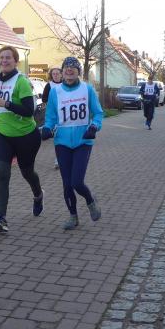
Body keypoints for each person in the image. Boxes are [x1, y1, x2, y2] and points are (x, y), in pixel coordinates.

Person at [0, 45, 44, 233]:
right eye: (1, 57)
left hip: (26, 136)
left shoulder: (21, 82)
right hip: (2, 133)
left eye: (8, 57)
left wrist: (6, 104)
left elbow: (28, 111)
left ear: (15, 61)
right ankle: (0, 217)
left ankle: (38, 194)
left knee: (27, 172)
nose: (4, 60)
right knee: (2, 174)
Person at [41, 57, 103, 230]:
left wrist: (94, 126)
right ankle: (73, 216)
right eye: (66, 67)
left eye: (73, 68)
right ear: (62, 71)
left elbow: (98, 113)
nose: (69, 70)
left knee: (77, 182)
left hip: (83, 141)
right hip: (62, 142)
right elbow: (51, 117)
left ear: (78, 72)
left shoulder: (87, 89)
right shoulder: (55, 92)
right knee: (67, 183)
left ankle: (90, 200)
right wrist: (47, 128)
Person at [42, 67, 63, 169]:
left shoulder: (65, 84)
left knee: (62, 135)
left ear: (61, 74)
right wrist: (52, 102)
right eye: (53, 74)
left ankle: (61, 159)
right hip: (53, 114)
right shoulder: (49, 85)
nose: (55, 75)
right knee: (57, 137)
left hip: (64, 113)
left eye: (57, 73)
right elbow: (44, 98)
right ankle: (57, 160)